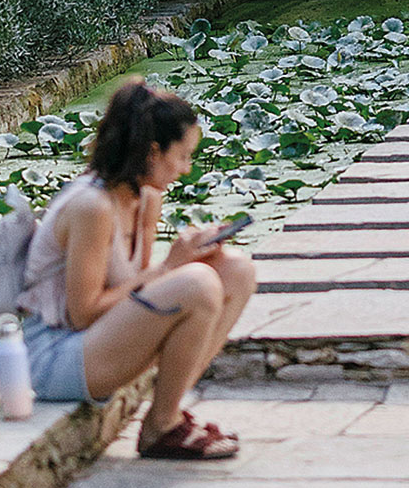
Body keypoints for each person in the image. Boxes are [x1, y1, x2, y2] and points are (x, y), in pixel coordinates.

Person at [18, 78, 256, 461]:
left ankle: (167, 413)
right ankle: (164, 427)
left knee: (236, 270)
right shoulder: (92, 207)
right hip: (56, 358)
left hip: (100, 341)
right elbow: (83, 314)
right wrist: (171, 268)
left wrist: (180, 262)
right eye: (181, 157)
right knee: (195, 283)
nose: (187, 169)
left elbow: (134, 291)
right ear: (151, 152)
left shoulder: (145, 198)